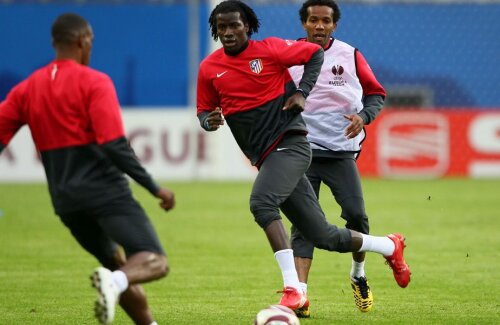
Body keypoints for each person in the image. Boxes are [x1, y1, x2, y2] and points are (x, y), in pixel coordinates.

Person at [197, 0, 410, 315]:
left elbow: (315, 54)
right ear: (215, 30)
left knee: (262, 203)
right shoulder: (209, 69)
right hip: (267, 156)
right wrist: (208, 120)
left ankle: (294, 291)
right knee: (321, 235)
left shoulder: (270, 50)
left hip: (293, 144)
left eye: (235, 25)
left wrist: (302, 93)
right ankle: (389, 246)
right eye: (223, 27)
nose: (229, 32)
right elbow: (203, 109)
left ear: (247, 26)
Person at [0, 13, 175, 325]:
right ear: (83, 40)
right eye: (91, 41)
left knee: (116, 262)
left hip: (65, 201)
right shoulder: (95, 81)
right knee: (154, 260)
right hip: (105, 192)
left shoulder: (27, 88)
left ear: (55, 43)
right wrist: (154, 187)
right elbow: (114, 145)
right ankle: (115, 282)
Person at [287, 0, 388, 316]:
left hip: (340, 152)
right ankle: (300, 295)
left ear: (334, 25)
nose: (319, 25)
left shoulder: (350, 54)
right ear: (304, 23)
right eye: (313, 20)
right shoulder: (288, 56)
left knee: (356, 215)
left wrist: (363, 116)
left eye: (325, 21)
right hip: (301, 151)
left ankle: (358, 275)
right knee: (303, 223)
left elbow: (376, 94)